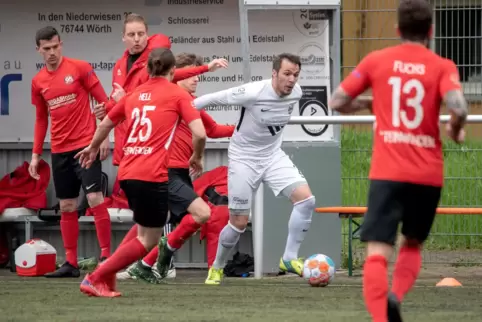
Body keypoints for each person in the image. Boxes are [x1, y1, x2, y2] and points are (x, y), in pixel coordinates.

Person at [328, 0, 468, 321]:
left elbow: (337, 100)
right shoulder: (442, 65)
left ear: (397, 29)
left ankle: (381, 316)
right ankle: (397, 294)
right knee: (413, 242)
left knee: (377, 250)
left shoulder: (378, 60)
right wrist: (455, 129)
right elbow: (459, 107)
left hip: (388, 172)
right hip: (427, 174)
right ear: (431, 32)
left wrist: (367, 105)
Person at [76, 47, 207, 297]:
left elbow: (106, 123)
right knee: (147, 240)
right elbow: (200, 133)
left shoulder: (135, 93)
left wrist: (92, 148)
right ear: (173, 72)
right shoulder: (177, 95)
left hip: (127, 172)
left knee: (144, 229)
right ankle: (96, 277)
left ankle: (106, 278)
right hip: (152, 174)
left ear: (148, 69)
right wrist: (197, 156)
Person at [193, 53, 317, 285]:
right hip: (243, 159)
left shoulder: (297, 93)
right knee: (238, 222)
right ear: (274, 73)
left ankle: (289, 258)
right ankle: (217, 267)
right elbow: (209, 99)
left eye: (296, 75)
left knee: (306, 201)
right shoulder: (253, 92)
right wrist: (177, 109)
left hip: (273, 156)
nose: (292, 80)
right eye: (287, 74)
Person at [117, 53, 235, 283]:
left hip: (180, 172)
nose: (195, 78)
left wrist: (242, 128)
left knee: (168, 221)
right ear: (173, 74)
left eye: (196, 74)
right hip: (162, 170)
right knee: (169, 220)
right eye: (190, 74)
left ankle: (139, 263)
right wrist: (205, 68)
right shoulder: (168, 94)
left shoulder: (190, 103)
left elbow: (213, 130)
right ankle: (132, 263)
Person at [29, 26, 112, 278]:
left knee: (95, 198)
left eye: (55, 47)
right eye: (47, 49)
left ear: (61, 44)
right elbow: (41, 119)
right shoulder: (38, 81)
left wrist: (104, 135)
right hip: (59, 150)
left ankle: (107, 257)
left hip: (86, 146)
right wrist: (35, 154)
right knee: (66, 205)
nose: (52, 52)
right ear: (39, 50)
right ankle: (71, 263)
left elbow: (104, 101)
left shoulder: (80, 68)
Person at [93, 13, 228, 167]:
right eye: (131, 34)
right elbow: (117, 98)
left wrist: (206, 68)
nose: (136, 39)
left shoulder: (153, 64)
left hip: (149, 149)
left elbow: (207, 130)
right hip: (126, 140)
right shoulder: (119, 65)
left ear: (147, 36)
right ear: (123, 37)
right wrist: (106, 108)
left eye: (141, 34)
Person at [118, 165, 230, 282]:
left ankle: (154, 263)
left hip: (213, 212)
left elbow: (192, 194)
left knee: (163, 214)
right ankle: (140, 263)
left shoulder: (211, 176)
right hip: (226, 212)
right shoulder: (227, 174)